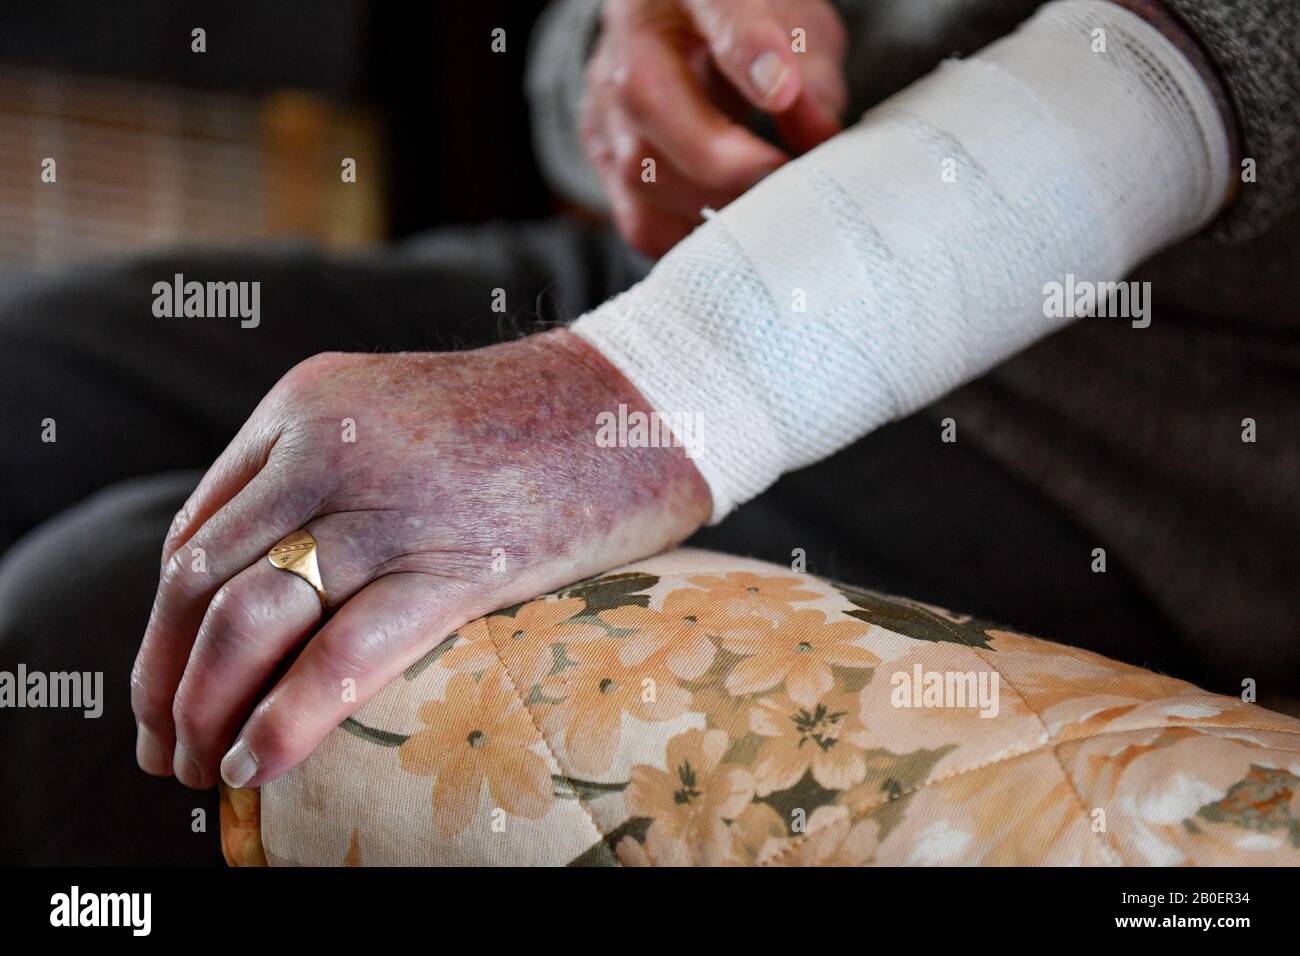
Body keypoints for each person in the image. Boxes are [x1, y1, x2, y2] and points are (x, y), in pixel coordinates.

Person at [0, 0, 1295, 865]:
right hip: (650, 268)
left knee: (103, 610)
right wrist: (636, 65)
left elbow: (1208, 70)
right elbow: (585, 44)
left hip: (1065, 461)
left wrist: (655, 389)